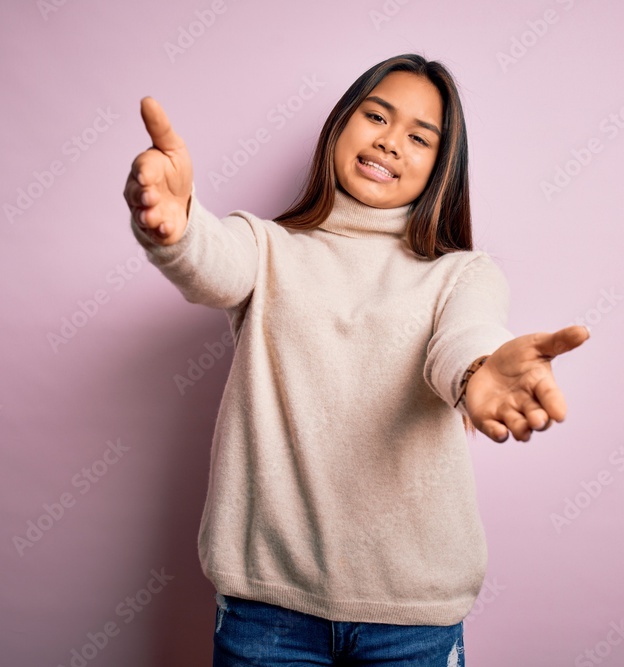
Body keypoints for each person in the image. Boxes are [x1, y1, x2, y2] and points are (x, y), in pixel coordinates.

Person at [123, 53, 590, 667]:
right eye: (376, 116)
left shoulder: (461, 274)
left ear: (441, 169)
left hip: (412, 619)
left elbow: (466, 336)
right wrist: (178, 222)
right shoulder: (269, 249)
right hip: (268, 609)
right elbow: (211, 262)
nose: (391, 143)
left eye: (420, 138)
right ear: (341, 126)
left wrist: (480, 371)